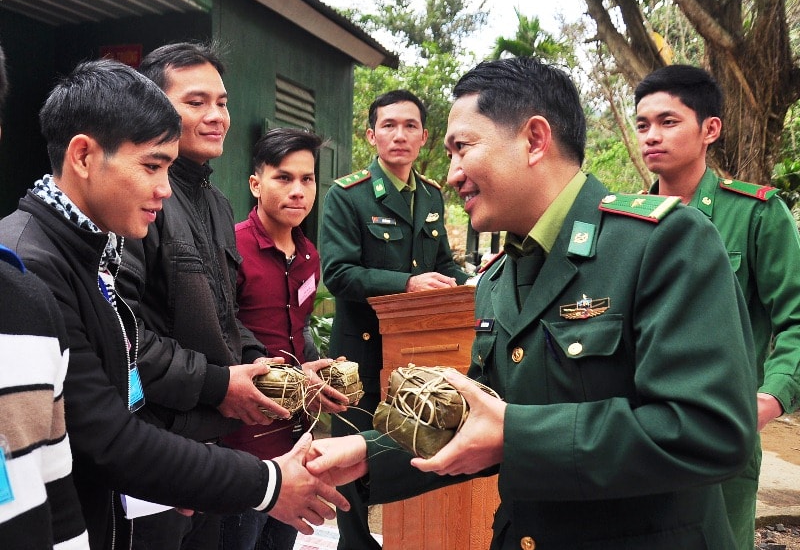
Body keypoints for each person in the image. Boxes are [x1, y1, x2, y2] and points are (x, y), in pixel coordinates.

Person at [305, 56, 759, 549]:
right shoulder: (499, 277)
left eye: (463, 148)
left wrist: (517, 435)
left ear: (535, 140)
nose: (453, 173)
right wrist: (366, 454)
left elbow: (711, 430)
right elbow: (478, 419)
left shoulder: (664, 244)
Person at [0, 58, 348, 550]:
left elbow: (148, 359)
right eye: (151, 166)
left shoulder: (95, 247)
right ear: (83, 156)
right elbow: (105, 436)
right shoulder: (29, 266)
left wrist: (176, 470)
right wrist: (263, 483)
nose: (163, 188)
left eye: (222, 102)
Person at [114, 42, 288, 550]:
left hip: (208, 443)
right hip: (153, 448)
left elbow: (224, 317)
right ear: (153, 104)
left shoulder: (216, 202)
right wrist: (217, 385)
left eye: (223, 101)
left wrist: (274, 372)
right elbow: (124, 335)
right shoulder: (137, 201)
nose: (217, 116)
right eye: (196, 103)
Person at [634, 64, 800, 550]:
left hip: (717, 433)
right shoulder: (622, 219)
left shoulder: (756, 215)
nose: (651, 136)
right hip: (632, 432)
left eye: (668, 121)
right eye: (643, 124)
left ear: (710, 129)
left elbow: (796, 319)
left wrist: (770, 399)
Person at [318, 89, 470, 549]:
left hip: (419, 351)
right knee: (351, 457)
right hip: (361, 350)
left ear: (425, 137)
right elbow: (338, 273)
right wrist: (405, 284)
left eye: (409, 126)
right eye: (388, 125)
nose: (399, 135)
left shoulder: (431, 195)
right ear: (371, 135)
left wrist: (470, 281)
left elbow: (441, 263)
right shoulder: (347, 197)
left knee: (409, 449)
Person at [218, 128, 349, 550]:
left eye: (307, 179)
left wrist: (318, 375)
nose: (298, 191)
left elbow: (301, 327)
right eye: (283, 178)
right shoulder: (230, 246)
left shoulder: (310, 254)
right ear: (256, 184)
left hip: (297, 439)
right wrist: (287, 375)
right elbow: (222, 325)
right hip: (243, 442)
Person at [0, 43, 89, 550]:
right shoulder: (33, 253)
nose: (162, 190)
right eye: (150, 165)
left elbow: (56, 494)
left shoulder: (28, 303)